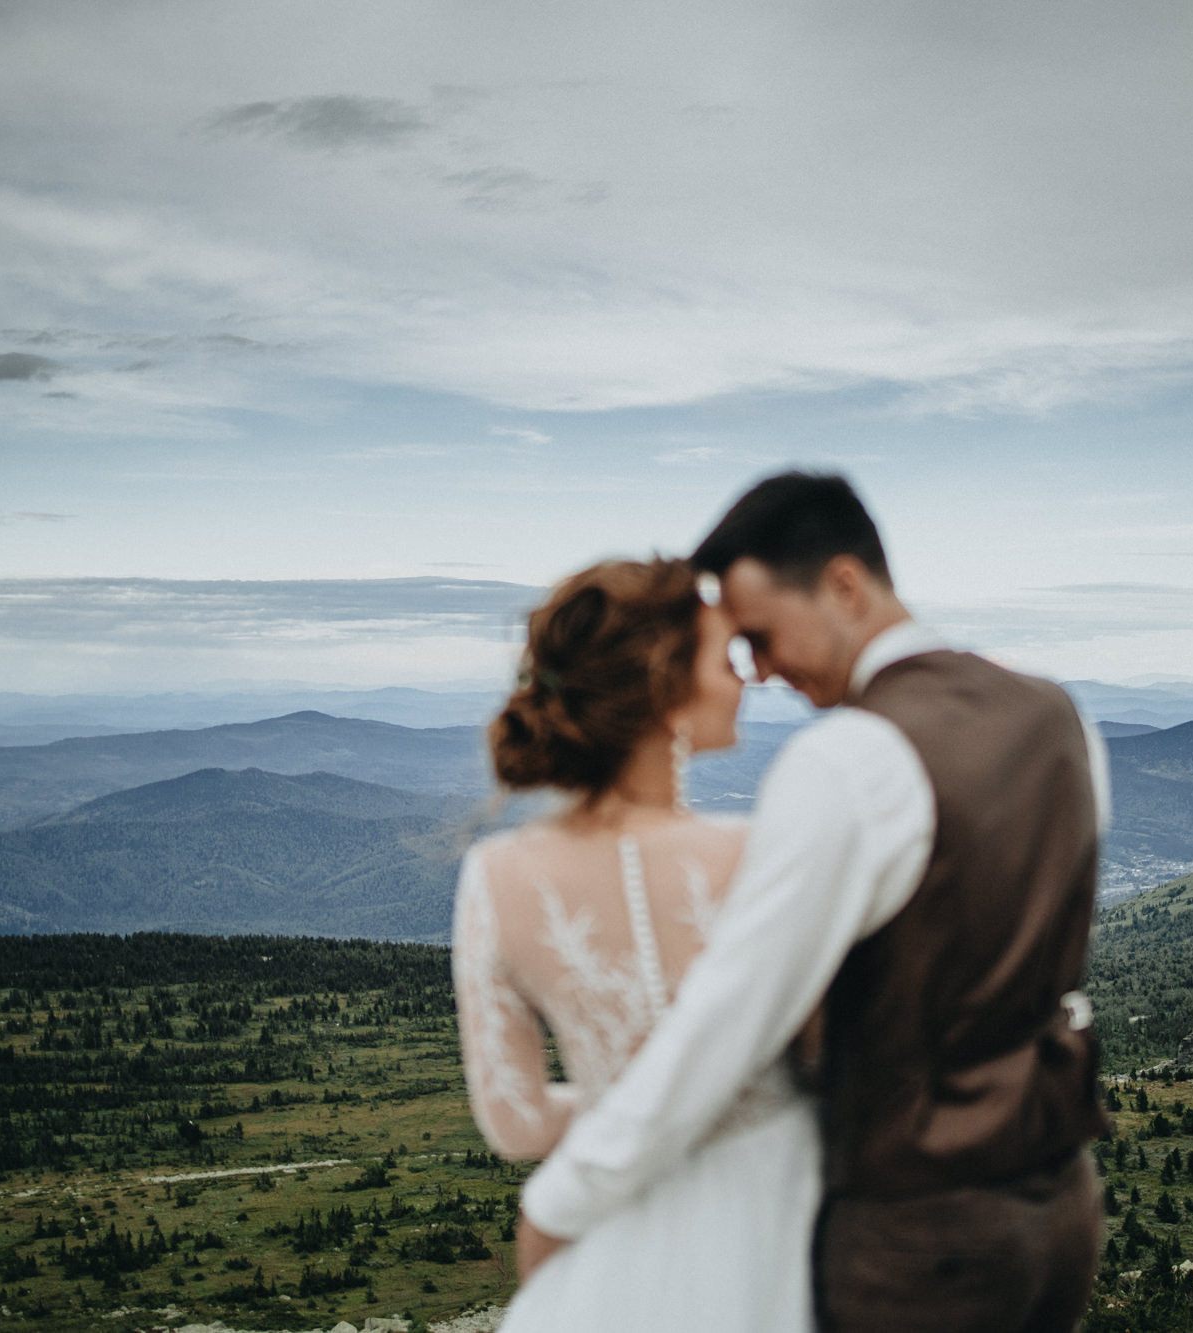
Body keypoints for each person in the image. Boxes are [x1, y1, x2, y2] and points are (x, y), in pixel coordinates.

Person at [516, 472, 1111, 1333]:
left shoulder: (850, 760)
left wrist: (564, 1199)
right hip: (1059, 1209)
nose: (756, 669)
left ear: (842, 585)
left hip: (916, 1236)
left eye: (759, 634)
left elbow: (733, 1016)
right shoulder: (1060, 716)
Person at [451, 557, 822, 1333]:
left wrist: (625, 1103)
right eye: (726, 658)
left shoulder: (495, 875)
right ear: (666, 684)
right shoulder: (760, 853)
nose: (747, 677)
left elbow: (514, 1120)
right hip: (787, 1231)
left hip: (615, 1254)